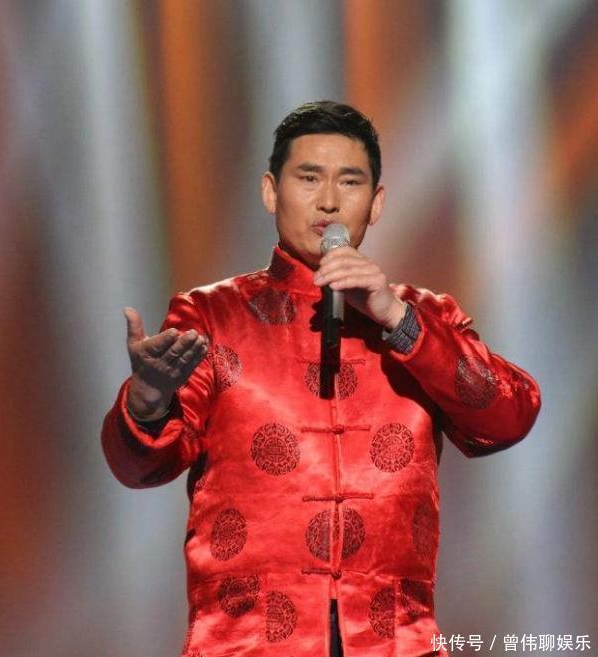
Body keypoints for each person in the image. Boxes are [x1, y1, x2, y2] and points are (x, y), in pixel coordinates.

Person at [101, 100, 541, 657]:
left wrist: (397, 319)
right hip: (248, 642)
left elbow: (508, 416)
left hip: (395, 642)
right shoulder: (211, 316)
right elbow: (139, 469)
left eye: (350, 182)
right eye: (308, 178)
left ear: (377, 203)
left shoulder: (423, 316)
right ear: (270, 192)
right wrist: (145, 402)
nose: (329, 200)